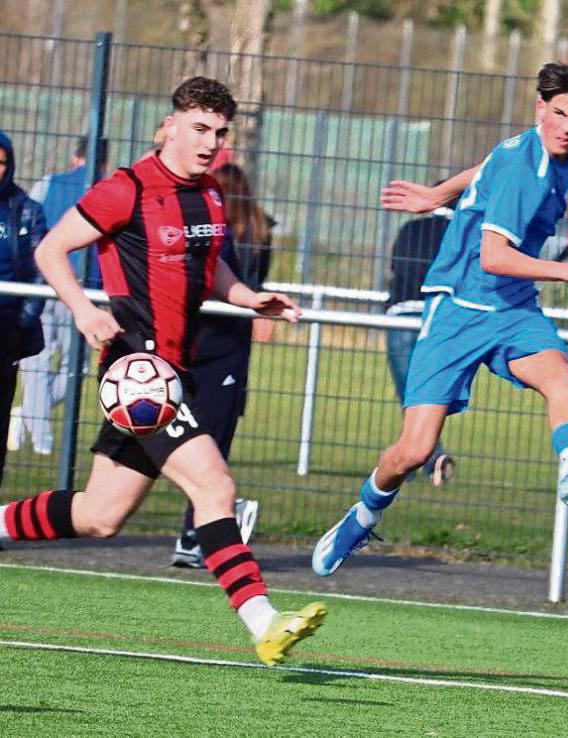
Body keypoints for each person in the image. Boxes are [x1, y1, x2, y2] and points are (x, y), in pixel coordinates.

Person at [0, 76, 325, 665]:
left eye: (220, 133)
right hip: (138, 370)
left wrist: (248, 296)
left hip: (182, 364)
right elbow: (51, 249)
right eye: (200, 128)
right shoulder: (124, 189)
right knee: (215, 485)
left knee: (100, 516)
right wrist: (82, 309)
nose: (210, 143)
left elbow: (211, 270)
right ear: (170, 125)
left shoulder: (212, 195)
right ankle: (264, 619)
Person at [313, 62, 568, 577]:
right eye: (557, 113)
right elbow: (493, 257)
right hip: (460, 311)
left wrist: (436, 194)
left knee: (560, 375)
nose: (566, 126)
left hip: (512, 307)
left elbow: (485, 167)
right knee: (414, 450)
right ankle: (362, 515)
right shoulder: (521, 169)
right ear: (539, 109)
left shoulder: (565, 162)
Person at [172, 163, 275, 568]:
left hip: (217, 339)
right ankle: (198, 528)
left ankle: (198, 532)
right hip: (210, 341)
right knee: (205, 439)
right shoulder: (209, 229)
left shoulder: (252, 234)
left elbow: (244, 283)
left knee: (206, 437)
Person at [8, 136, 108, 456]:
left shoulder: (50, 182)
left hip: (47, 282)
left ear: (75, 157)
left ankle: (34, 425)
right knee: (75, 368)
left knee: (38, 365)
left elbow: (31, 228)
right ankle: (41, 436)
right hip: (84, 287)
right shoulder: (106, 189)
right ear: (103, 162)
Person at [386, 190, 459, 486]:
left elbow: (396, 266)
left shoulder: (409, 229)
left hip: (402, 313)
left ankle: (419, 458)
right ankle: (427, 457)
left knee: (410, 397)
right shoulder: (461, 232)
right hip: (439, 318)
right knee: (428, 396)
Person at [0, 129, 47, 486]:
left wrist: (22, 324)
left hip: (6, 334)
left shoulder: (27, 211)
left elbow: (39, 273)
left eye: (1, 163)